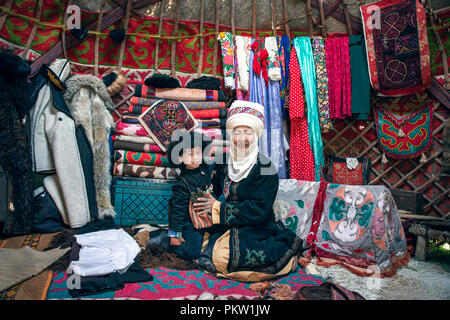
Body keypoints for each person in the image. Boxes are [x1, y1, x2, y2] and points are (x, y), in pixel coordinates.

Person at [192, 100, 304, 282]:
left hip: (255, 227)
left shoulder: (266, 169)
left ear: (256, 134)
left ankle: (287, 260)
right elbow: (215, 188)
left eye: (248, 132)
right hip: (227, 223)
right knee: (195, 243)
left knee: (222, 259)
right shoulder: (224, 161)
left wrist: (218, 208)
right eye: (237, 132)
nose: (242, 139)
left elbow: (258, 209)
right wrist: (206, 197)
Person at [164, 130, 222, 261]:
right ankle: (165, 240)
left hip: (208, 215)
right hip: (191, 222)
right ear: (179, 158)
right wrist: (175, 234)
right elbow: (177, 210)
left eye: (198, 152)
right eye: (190, 154)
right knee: (192, 252)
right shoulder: (182, 183)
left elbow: (217, 162)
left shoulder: (204, 167)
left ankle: (210, 249)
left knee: (224, 233)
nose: (195, 157)